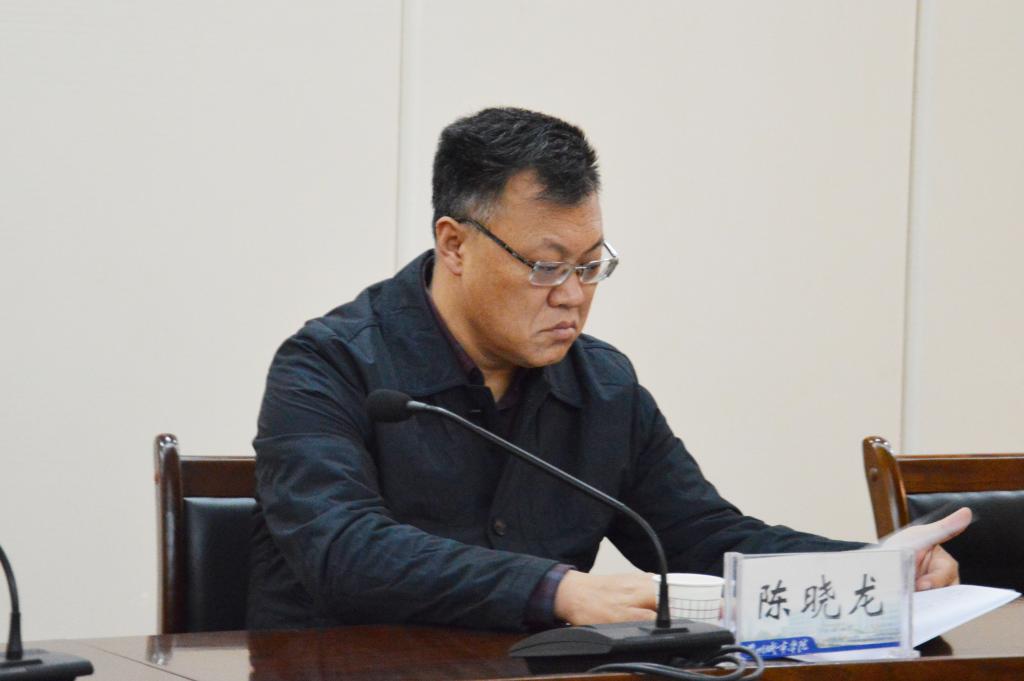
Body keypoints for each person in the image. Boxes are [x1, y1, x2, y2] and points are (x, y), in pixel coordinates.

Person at [247, 107, 964, 631]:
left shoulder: (603, 387)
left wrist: (866, 569)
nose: (574, 295)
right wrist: (557, 590)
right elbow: (344, 549)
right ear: (455, 244)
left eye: (592, 265)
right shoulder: (328, 366)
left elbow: (704, 536)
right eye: (547, 266)